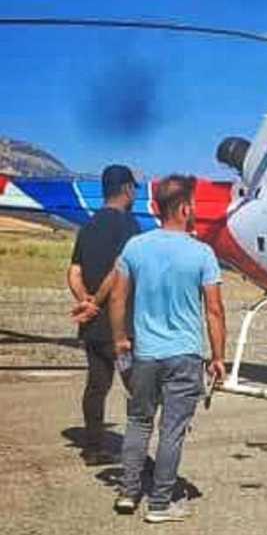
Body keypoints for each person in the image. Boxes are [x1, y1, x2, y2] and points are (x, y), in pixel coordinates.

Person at [109, 175, 226, 522]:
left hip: (145, 353)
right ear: (185, 208)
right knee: (172, 430)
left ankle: (128, 491)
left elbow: (117, 297)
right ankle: (160, 502)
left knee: (138, 422)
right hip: (185, 354)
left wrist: (120, 339)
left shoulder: (135, 247)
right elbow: (214, 310)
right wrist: (218, 356)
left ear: (157, 207)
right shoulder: (202, 253)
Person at [66, 164, 140, 466]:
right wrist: (95, 301)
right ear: (127, 189)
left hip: (93, 327)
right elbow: (120, 269)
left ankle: (93, 447)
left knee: (96, 386)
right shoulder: (130, 226)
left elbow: (74, 271)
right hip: (120, 329)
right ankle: (137, 454)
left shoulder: (88, 226)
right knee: (137, 389)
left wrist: (84, 300)